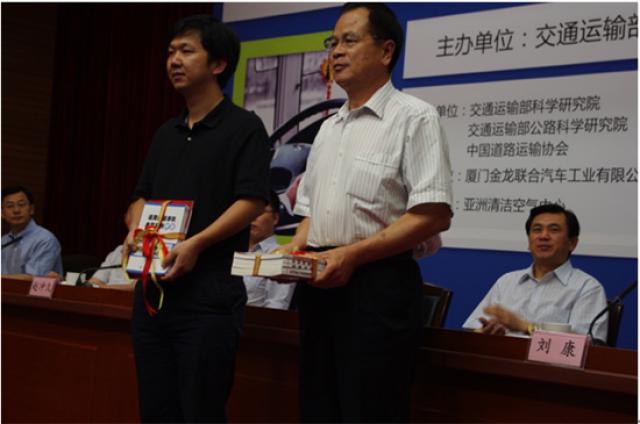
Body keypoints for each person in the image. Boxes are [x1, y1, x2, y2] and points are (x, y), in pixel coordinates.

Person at [280, 4, 453, 422]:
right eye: (333, 42)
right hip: (319, 286)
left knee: (370, 411)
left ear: (386, 51)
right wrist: (291, 254)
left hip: (377, 288)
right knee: (318, 409)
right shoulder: (328, 128)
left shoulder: (414, 117)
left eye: (350, 41)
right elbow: (310, 213)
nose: (336, 51)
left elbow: (433, 215)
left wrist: (352, 255)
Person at [125, 15, 271, 423]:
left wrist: (197, 244)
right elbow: (140, 197)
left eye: (187, 51)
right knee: (156, 410)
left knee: (200, 411)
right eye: (171, 51)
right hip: (153, 295)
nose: (174, 60)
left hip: (209, 297)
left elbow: (252, 200)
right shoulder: (166, 134)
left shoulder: (244, 127)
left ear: (218, 64)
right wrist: (136, 228)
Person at [463, 204, 608, 341]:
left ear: (572, 243)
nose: (543, 236)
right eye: (537, 229)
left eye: (554, 230)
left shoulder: (587, 288)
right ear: (529, 241)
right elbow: (472, 330)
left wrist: (525, 327)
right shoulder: (506, 282)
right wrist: (486, 333)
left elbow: (585, 346)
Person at [243, 191, 295, 310]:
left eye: (260, 212)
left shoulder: (280, 255)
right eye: (249, 212)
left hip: (254, 319)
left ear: (275, 218)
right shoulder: (230, 250)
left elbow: (276, 306)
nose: (253, 218)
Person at [1, 185, 63, 280]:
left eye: (21, 205)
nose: (16, 210)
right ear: (2, 213)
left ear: (31, 209)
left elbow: (33, 278)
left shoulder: (45, 239)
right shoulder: (3, 241)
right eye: (10, 206)